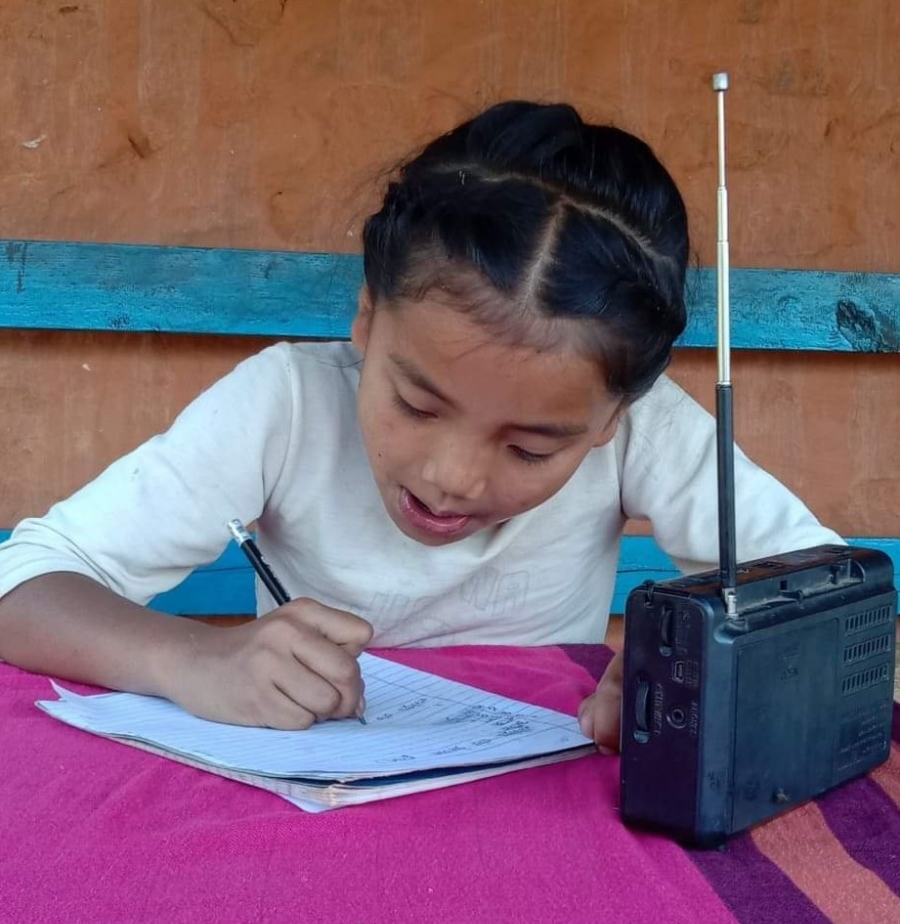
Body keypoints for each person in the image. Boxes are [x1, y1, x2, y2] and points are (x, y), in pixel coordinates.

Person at [0, 100, 841, 752]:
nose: (452, 476)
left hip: (539, 809)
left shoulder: (646, 429)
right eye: (416, 403)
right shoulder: (286, 403)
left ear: (612, 417)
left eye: (530, 446)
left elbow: (832, 601)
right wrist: (189, 658)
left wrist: (702, 669)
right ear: (366, 319)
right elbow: (23, 584)